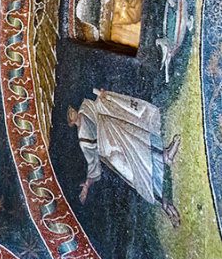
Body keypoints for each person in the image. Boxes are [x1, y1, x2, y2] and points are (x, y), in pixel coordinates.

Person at [68, 89, 181, 227]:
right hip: (112, 153)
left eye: (71, 110)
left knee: (140, 143)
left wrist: (104, 96)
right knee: (136, 173)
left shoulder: (86, 107)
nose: (72, 112)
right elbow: (92, 163)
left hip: (116, 130)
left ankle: (165, 155)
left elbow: (100, 103)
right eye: (69, 114)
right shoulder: (83, 139)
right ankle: (165, 205)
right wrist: (87, 184)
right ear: (71, 122)